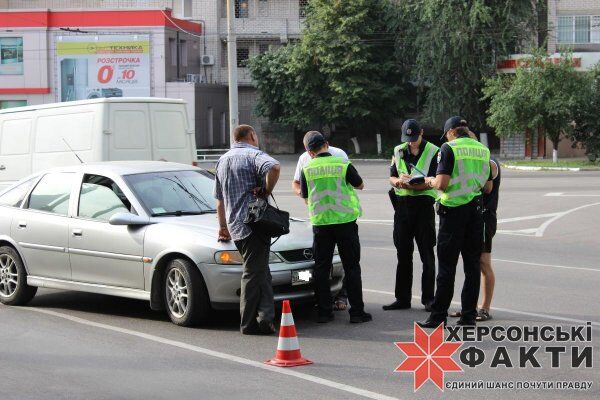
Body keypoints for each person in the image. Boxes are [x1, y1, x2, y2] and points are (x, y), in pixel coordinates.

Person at [418, 116, 493, 328]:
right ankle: (468, 316)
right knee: (471, 267)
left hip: (452, 214)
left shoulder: (449, 148)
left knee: (446, 268)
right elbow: (487, 188)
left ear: (451, 132)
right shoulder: (483, 150)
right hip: (476, 214)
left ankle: (438, 316)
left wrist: (428, 180)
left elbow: (441, 184)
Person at [214, 124, 281, 335]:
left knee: (262, 271)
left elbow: (219, 200)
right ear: (252, 135)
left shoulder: (222, 160)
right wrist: (266, 190)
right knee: (253, 273)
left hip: (235, 225)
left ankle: (266, 319)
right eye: (256, 135)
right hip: (254, 224)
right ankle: (248, 323)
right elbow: (275, 167)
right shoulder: (253, 154)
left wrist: (223, 227)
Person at [300, 131, 372, 324]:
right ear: (327, 144)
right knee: (352, 267)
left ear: (310, 151)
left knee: (322, 268)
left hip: (321, 224)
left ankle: (324, 312)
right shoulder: (343, 164)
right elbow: (360, 185)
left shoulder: (306, 168)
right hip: (345, 222)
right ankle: (357, 312)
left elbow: (305, 196)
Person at [383, 119, 439, 312]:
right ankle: (402, 298)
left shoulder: (434, 151)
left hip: (423, 206)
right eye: (408, 139)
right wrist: (398, 181)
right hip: (402, 207)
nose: (411, 142)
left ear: (422, 133)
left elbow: (435, 181)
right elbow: (391, 176)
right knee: (403, 254)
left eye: (414, 138)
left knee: (427, 255)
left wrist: (414, 184)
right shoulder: (399, 150)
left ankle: (429, 300)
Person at [293, 131, 349, 311]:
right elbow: (297, 184)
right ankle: (322, 301)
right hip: (320, 218)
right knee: (323, 263)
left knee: (343, 261)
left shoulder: (339, 155)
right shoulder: (304, 159)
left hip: (341, 217)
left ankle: (341, 296)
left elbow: (350, 181)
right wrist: (306, 197)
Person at [450, 132, 500, 322]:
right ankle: (468, 307)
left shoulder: (489, 161)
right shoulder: (474, 161)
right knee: (470, 263)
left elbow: (487, 185)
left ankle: (485, 308)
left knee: (483, 263)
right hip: (472, 217)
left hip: (485, 217)